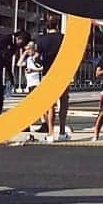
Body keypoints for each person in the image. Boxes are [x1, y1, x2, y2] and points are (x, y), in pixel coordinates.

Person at [36, 13, 70, 142]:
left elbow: (37, 58)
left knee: (50, 105)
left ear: (46, 25)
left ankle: (50, 134)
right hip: (63, 73)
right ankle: (61, 132)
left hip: (48, 74)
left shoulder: (42, 40)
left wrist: (42, 63)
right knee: (64, 102)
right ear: (57, 24)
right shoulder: (64, 38)